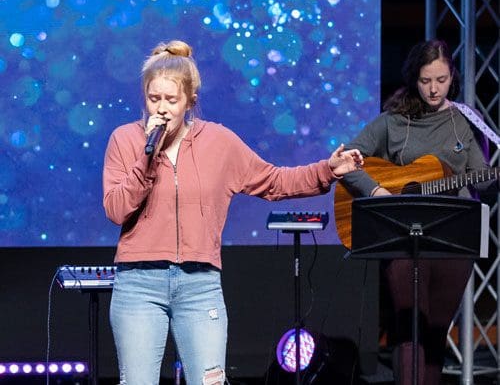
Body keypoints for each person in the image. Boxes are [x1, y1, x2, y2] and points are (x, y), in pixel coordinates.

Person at [102, 39, 364, 385]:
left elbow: (274, 181)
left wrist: (326, 170)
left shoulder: (219, 143)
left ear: (190, 101)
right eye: (154, 99)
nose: (161, 108)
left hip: (199, 286)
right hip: (138, 284)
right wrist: (146, 157)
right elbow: (117, 209)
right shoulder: (125, 140)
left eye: (171, 100)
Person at [340, 39, 497, 385]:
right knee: (410, 326)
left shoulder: (464, 121)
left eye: (441, 80)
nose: (433, 89)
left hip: (451, 241)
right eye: (426, 80)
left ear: (451, 76)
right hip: (403, 242)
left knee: (436, 331)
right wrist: (376, 190)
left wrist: (493, 180)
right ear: (414, 78)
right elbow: (345, 160)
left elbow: (480, 180)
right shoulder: (393, 122)